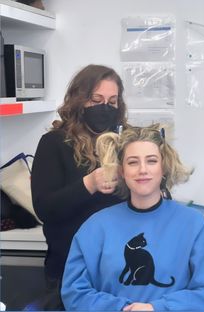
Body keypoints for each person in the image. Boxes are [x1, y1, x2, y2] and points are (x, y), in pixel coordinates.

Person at [61, 124, 204, 311]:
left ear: (164, 167)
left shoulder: (194, 224)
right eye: (133, 162)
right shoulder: (95, 227)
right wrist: (122, 309)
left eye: (151, 161)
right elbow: (74, 293)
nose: (142, 170)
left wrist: (157, 308)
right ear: (122, 171)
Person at [30, 64, 128, 310]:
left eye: (112, 101)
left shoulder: (126, 143)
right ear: (79, 100)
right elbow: (45, 209)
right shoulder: (55, 143)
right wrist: (90, 183)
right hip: (69, 269)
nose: (105, 107)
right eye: (96, 99)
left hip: (117, 270)